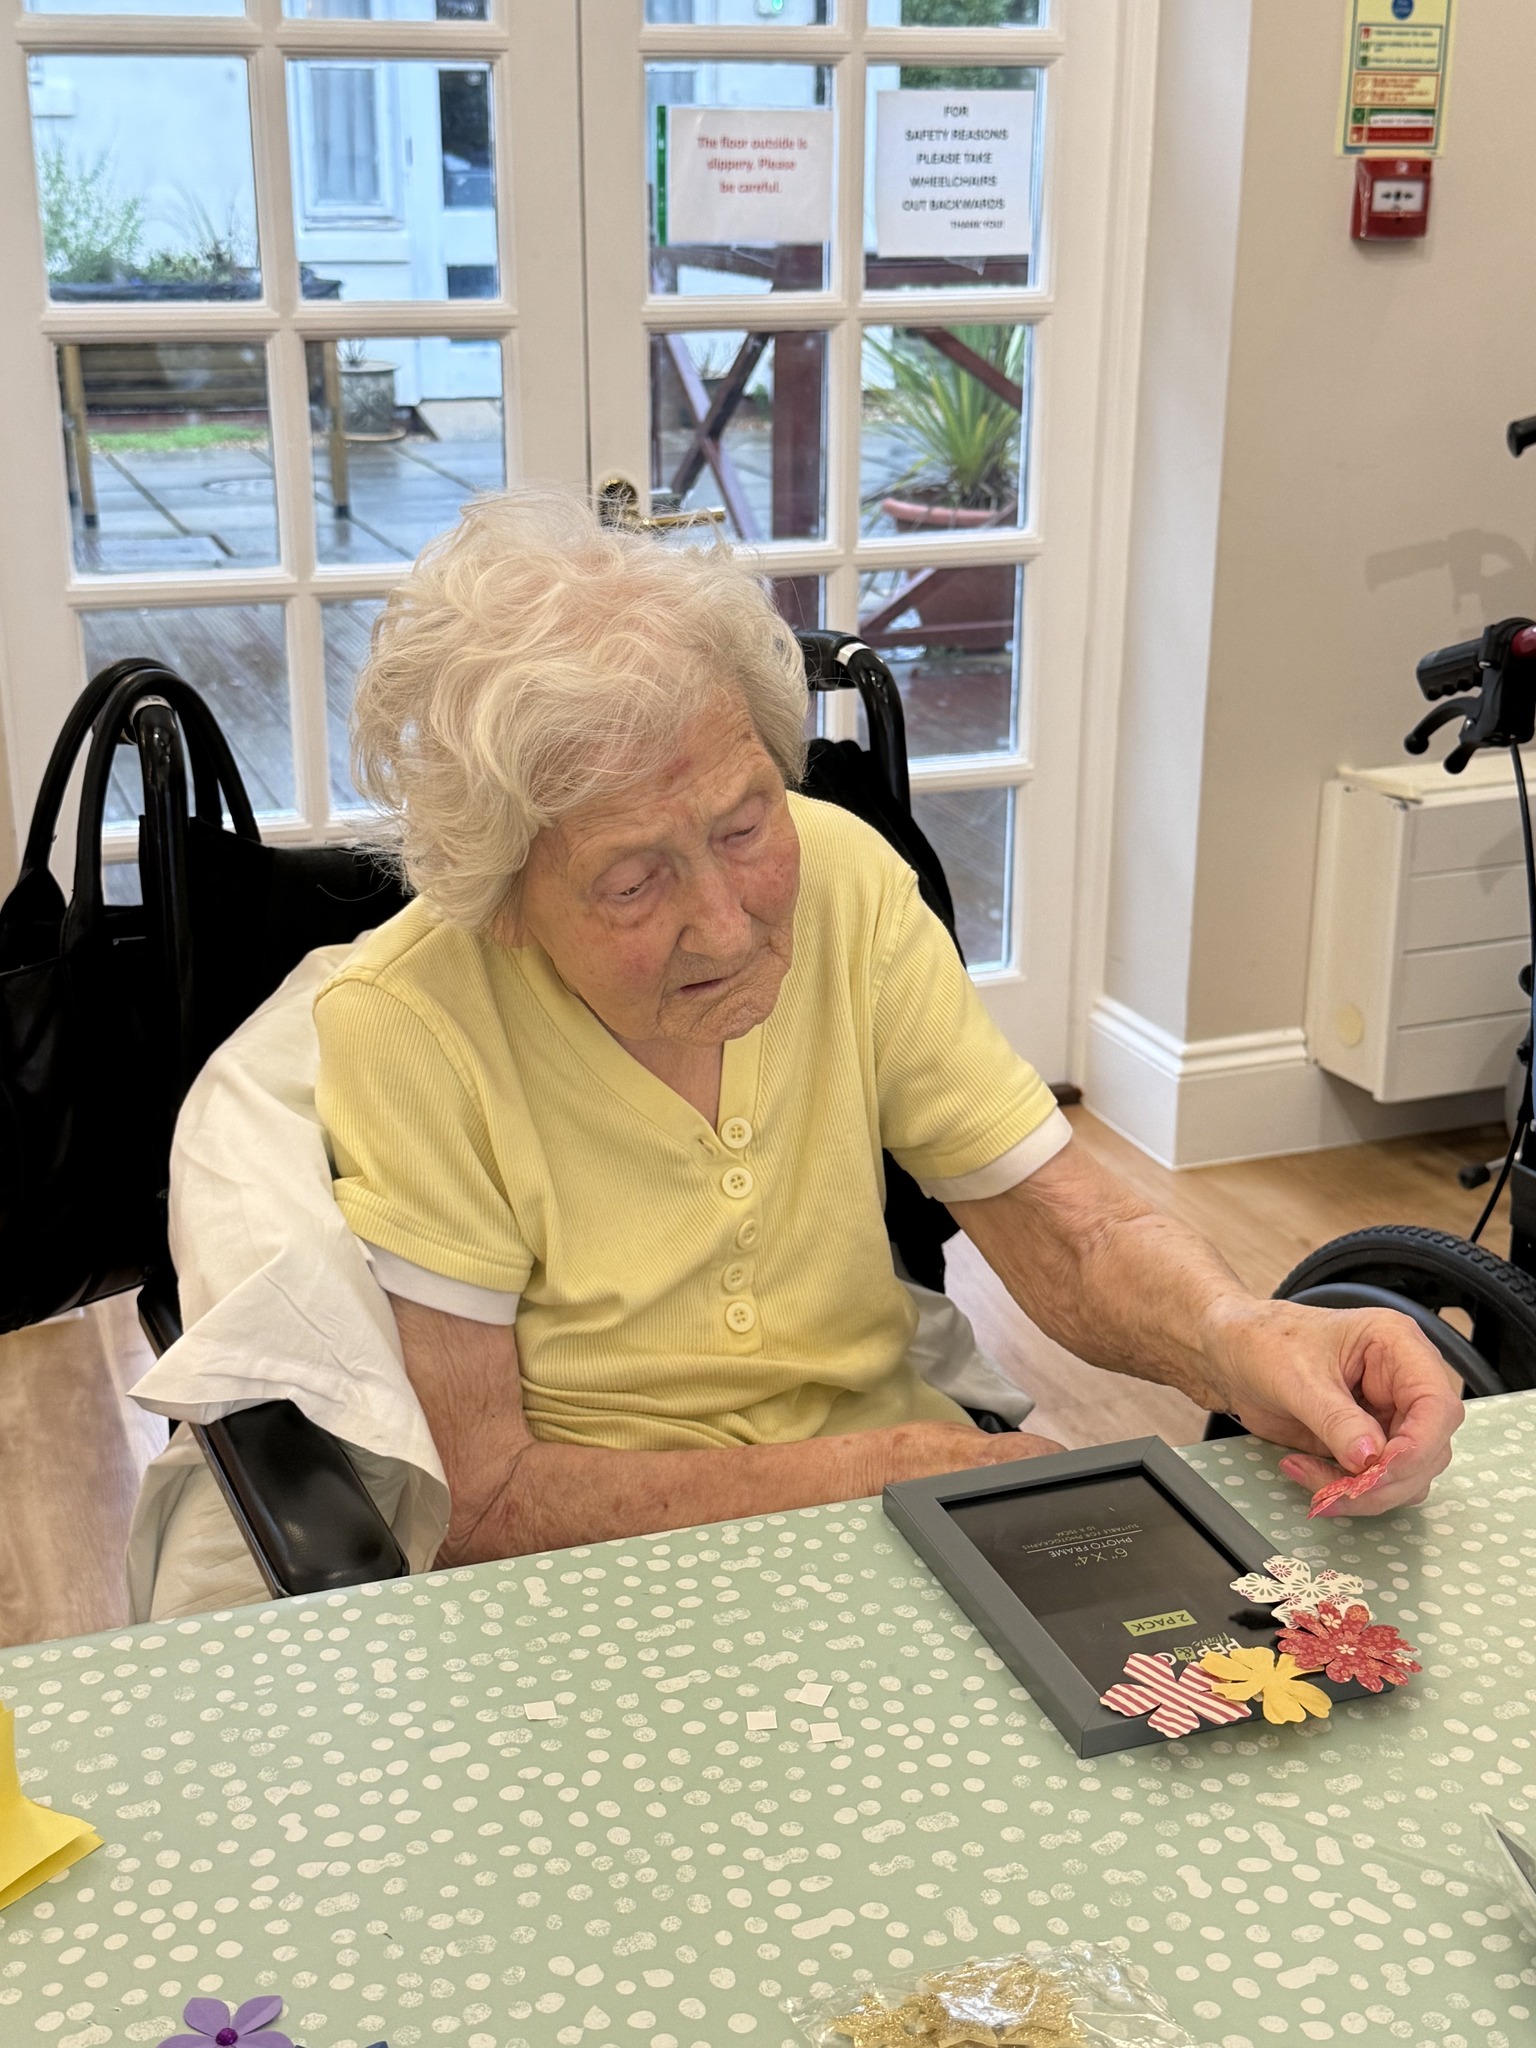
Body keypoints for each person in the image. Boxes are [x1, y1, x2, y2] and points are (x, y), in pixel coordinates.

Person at [128, 488, 1462, 1614]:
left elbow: (1072, 1232)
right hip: (602, 1582)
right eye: (633, 879)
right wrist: (881, 1477)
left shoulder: (848, 883)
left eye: (742, 824)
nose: (727, 919)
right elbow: (488, 1501)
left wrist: (1244, 1337)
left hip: (900, 1524)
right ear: (505, 892)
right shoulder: (415, 1022)